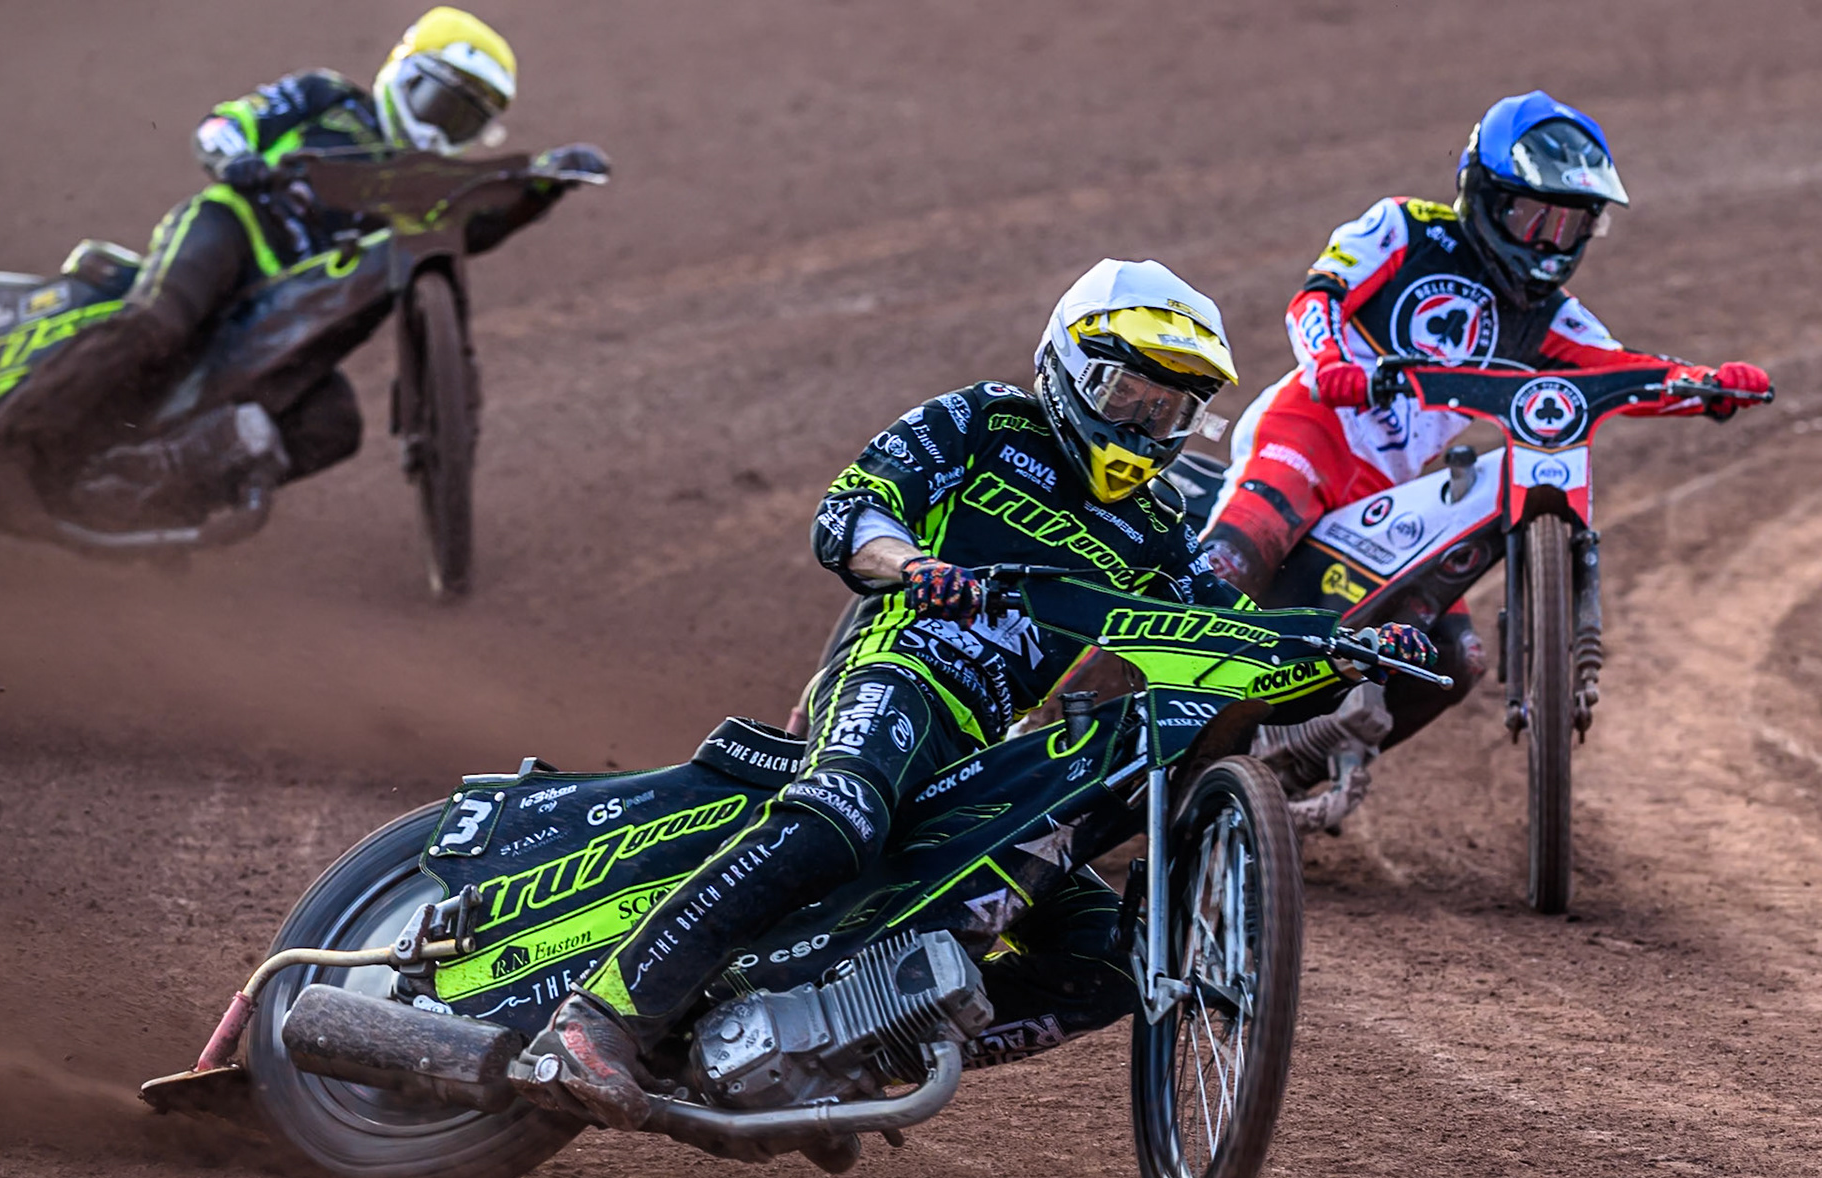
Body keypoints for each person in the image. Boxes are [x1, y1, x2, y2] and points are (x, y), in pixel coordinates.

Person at [532, 258, 1435, 1133]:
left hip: (988, 756)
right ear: (1069, 367)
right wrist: (912, 565)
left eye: (1169, 409)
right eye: (1128, 394)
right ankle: (601, 1017)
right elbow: (851, 510)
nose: (1143, 424)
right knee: (842, 812)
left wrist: (1345, 649)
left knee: (1109, 959)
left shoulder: (1156, 527)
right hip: (897, 672)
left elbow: (1226, 637)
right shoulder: (981, 422)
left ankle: (852, 1054)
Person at [1200, 90, 1771, 812]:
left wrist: (1707, 386)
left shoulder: (1549, 318)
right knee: (1226, 570)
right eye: (1535, 217)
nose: (1549, 244)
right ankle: (1093, 722)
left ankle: (1287, 771)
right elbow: (1317, 298)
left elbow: (1624, 371)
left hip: (1391, 487)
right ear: (1486, 196)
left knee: (1455, 660)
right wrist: (1331, 364)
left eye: (1571, 225)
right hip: (1308, 430)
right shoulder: (1405, 228)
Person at [0, 6, 608, 527]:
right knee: (158, 324)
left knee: (334, 423)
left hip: (287, 311)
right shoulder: (326, 96)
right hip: (235, 229)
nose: (442, 132)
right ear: (405, 76)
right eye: (442, 105)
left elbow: (469, 228)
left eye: (464, 124)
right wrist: (235, 158)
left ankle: (143, 498)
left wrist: (540, 189)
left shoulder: (424, 183)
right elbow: (224, 124)